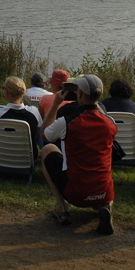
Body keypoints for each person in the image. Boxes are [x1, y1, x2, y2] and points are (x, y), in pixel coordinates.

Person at [40, 74, 117, 235]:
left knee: (47, 150)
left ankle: (62, 208)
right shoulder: (110, 123)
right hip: (104, 193)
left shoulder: (67, 122)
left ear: (79, 94)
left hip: (76, 194)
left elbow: (44, 135)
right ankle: (105, 207)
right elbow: (101, 115)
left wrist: (55, 104)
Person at [0, 76, 43, 157]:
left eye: (4, 88)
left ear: (7, 92)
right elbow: (39, 135)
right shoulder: (34, 112)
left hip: (1, 160)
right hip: (26, 160)